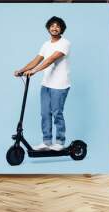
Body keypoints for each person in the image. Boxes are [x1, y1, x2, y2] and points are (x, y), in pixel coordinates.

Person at [14, 16, 71, 151]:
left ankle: (59, 142)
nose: (54, 28)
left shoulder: (65, 43)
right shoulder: (46, 44)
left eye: (57, 26)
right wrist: (21, 70)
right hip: (46, 84)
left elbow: (51, 59)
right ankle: (46, 142)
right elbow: (37, 59)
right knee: (45, 113)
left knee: (57, 113)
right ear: (48, 28)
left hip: (60, 85)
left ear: (61, 28)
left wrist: (34, 71)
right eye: (52, 25)